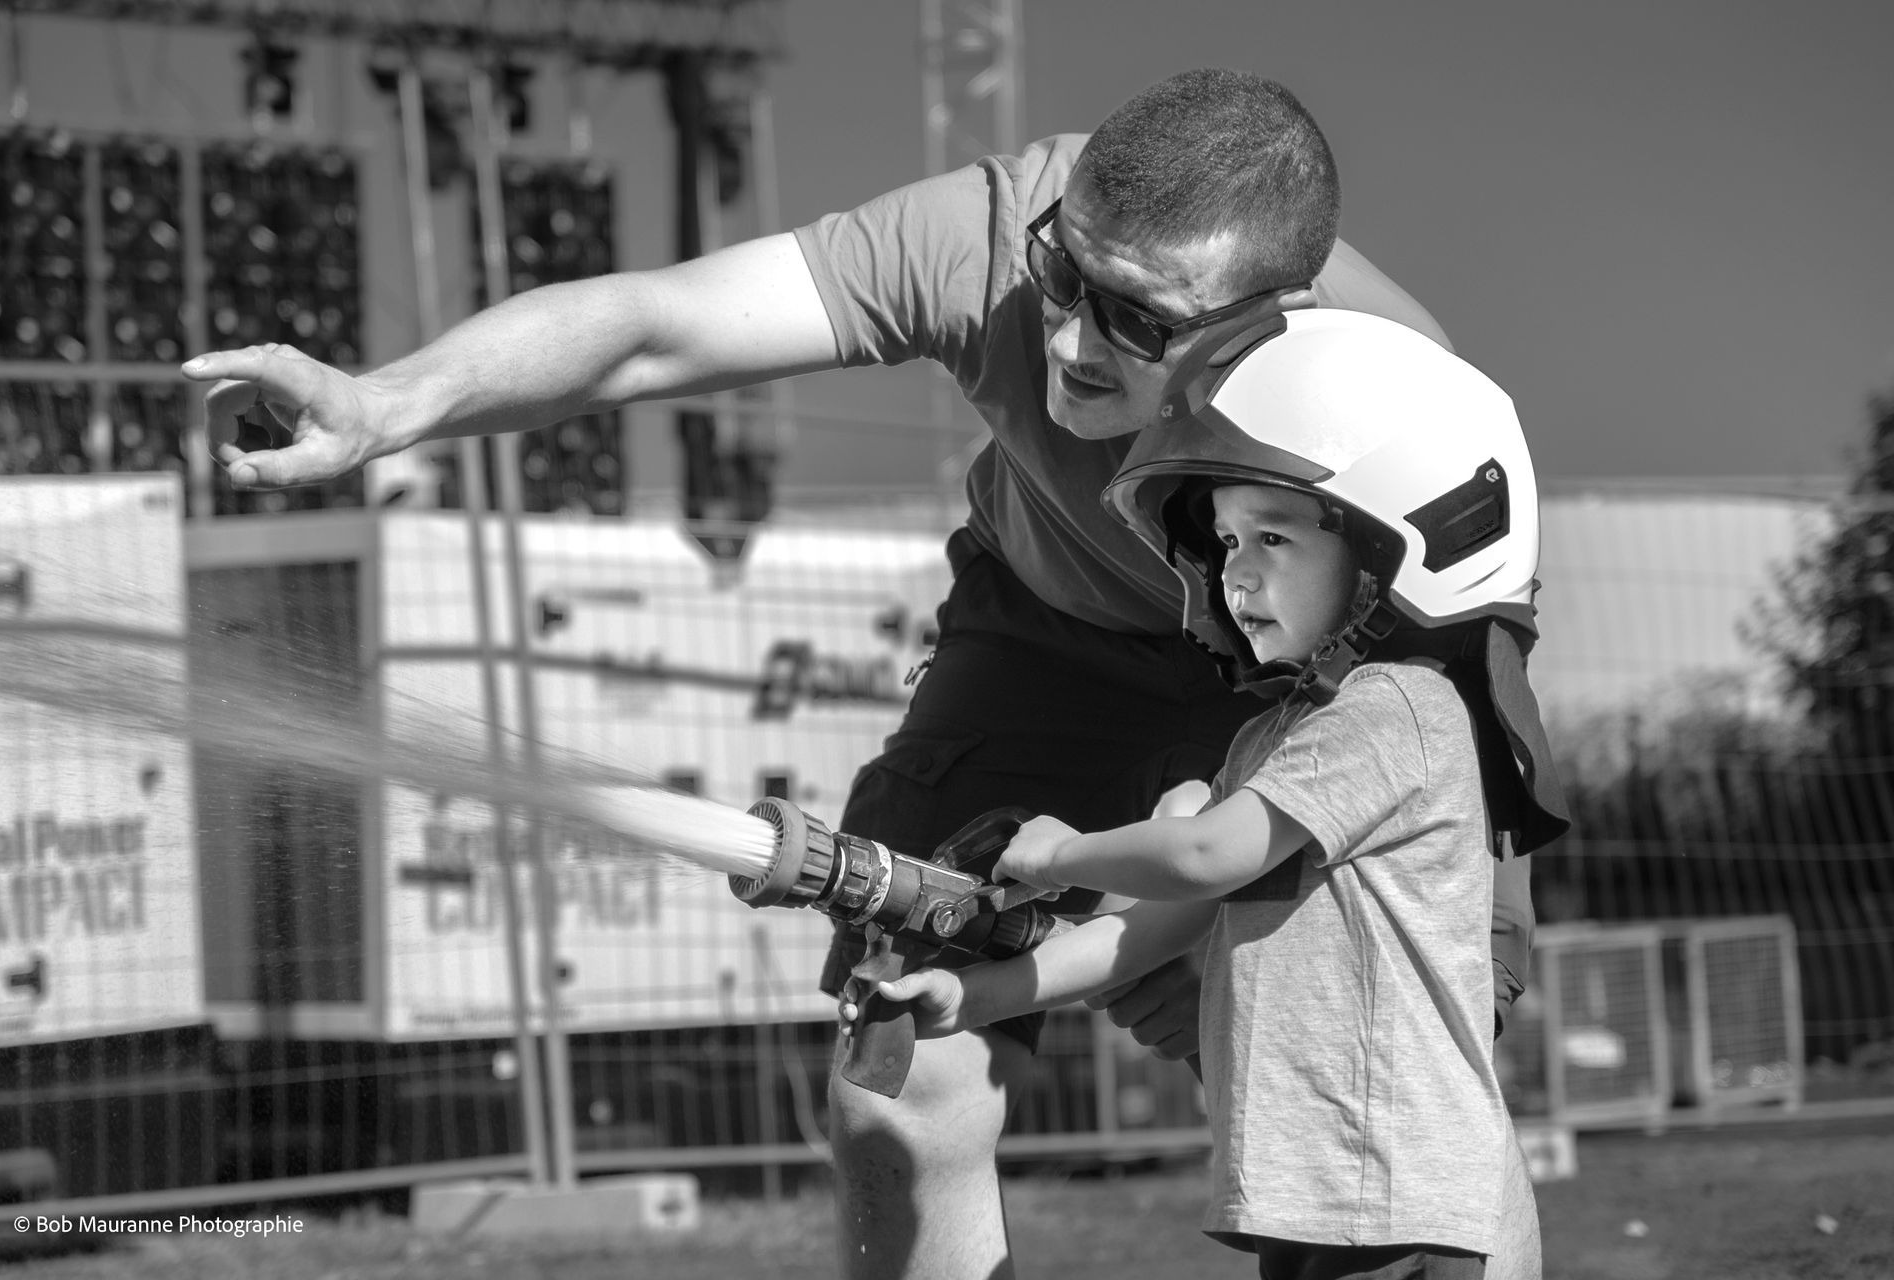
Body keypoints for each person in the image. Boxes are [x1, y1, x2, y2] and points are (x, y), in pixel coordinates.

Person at [181, 68, 1541, 1280]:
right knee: (898, 1077)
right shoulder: (986, 235)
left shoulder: (1410, 412)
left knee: (1412, 1098)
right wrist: (392, 402)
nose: (1066, 342)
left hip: (1308, 687)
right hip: (1044, 647)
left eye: (1135, 321)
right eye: (1063, 277)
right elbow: (661, 324)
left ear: (1272, 320)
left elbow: (1444, 689)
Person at [859, 308, 1563, 1280]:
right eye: (1225, 540)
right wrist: (972, 993)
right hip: (1311, 1195)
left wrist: (1063, 850)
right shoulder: (1279, 741)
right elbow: (1155, 926)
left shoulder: (1399, 712)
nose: (1237, 572)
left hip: (1395, 1194)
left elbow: (1202, 855)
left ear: (1413, 533)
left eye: (1272, 534)